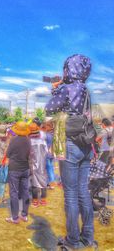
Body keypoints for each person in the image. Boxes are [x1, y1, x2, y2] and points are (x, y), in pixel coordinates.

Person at [45, 54, 96, 249]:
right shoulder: (85, 89)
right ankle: (87, 237)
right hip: (85, 143)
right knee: (84, 191)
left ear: (69, 69)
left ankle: (72, 240)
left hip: (70, 144)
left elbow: (50, 109)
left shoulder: (65, 88)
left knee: (71, 195)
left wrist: (55, 90)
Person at [5, 121, 31, 224]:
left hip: (14, 169)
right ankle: (24, 215)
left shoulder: (14, 140)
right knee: (25, 192)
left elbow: (8, 154)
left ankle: (15, 217)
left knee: (14, 193)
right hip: (25, 168)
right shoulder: (28, 140)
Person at [29, 123, 48, 207]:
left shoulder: (29, 141)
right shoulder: (43, 141)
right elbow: (47, 151)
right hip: (42, 164)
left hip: (33, 164)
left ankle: (35, 200)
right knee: (43, 181)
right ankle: (43, 199)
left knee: (34, 182)